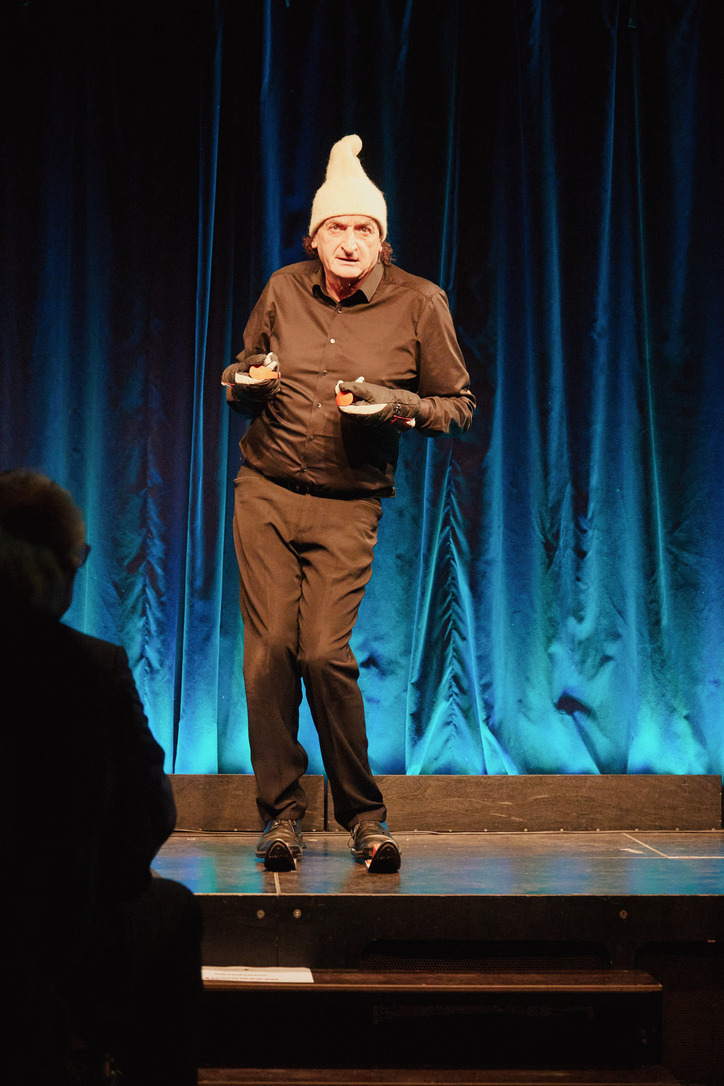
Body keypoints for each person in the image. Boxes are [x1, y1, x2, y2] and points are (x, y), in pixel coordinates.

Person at [222, 134, 475, 874]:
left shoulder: (419, 303)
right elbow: (242, 375)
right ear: (315, 236)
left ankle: (365, 817)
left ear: (382, 240)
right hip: (266, 491)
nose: (350, 241)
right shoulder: (283, 289)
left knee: (323, 654)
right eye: (337, 226)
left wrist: (393, 404)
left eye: (364, 228)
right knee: (269, 653)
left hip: (347, 504)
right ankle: (281, 817)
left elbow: (457, 406)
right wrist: (247, 382)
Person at [0, 469, 202, 1085]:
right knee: (172, 910)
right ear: (61, 565)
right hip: (42, 940)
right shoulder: (82, 668)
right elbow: (147, 814)